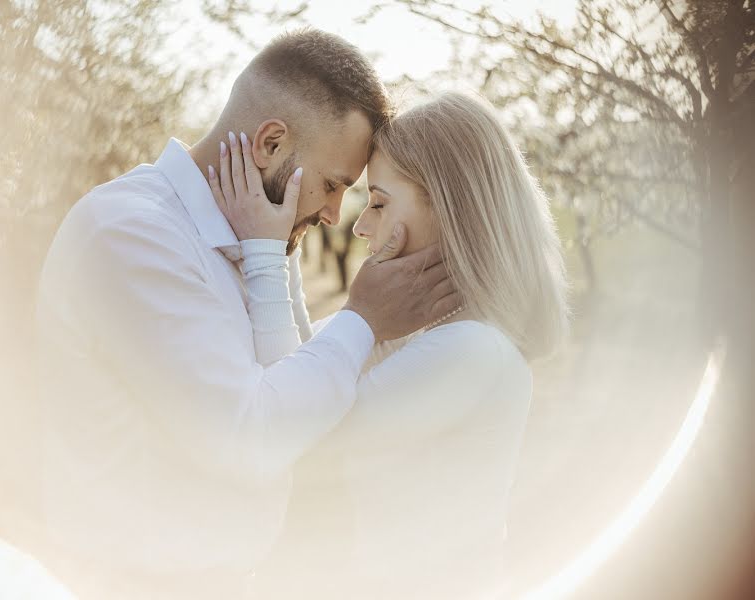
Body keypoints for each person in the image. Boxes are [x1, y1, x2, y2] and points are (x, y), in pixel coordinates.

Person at [32, 29, 460, 599]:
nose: (335, 214)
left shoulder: (255, 235)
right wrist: (363, 321)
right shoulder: (132, 234)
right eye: (333, 186)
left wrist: (384, 325)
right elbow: (252, 436)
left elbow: (293, 375)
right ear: (270, 144)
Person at [209, 91, 569, 599]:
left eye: (378, 203)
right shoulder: (428, 333)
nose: (360, 225)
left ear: (449, 206)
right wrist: (283, 240)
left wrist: (266, 255)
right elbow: (304, 371)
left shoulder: (472, 350)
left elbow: (294, 432)